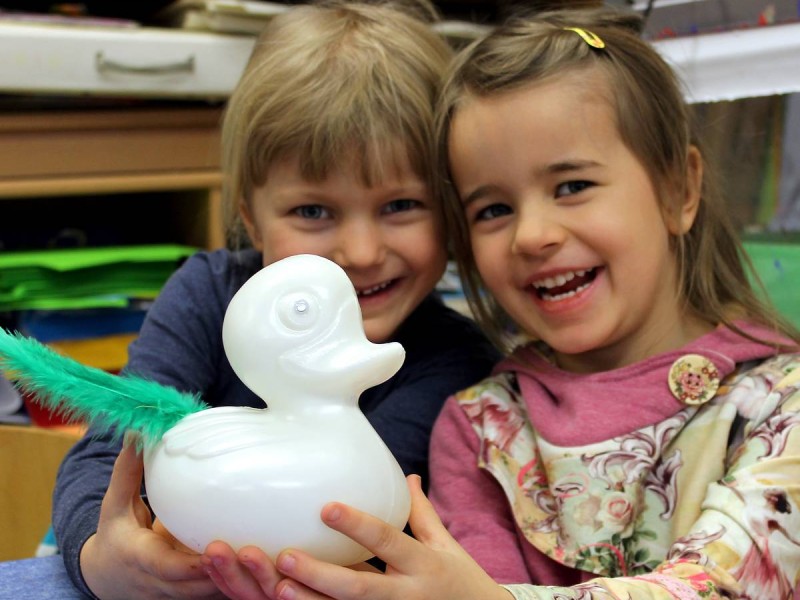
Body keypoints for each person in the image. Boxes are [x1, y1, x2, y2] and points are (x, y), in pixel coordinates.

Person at [248, 6, 800, 600]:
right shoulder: (481, 424)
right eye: (493, 210)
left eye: (571, 187)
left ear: (678, 189)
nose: (532, 234)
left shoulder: (781, 407)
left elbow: (725, 586)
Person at [51, 2, 500, 598]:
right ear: (252, 221)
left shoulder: (453, 358)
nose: (361, 251)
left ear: (448, 210)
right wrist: (102, 558)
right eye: (312, 212)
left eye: (400, 206)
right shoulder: (207, 294)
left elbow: (332, 507)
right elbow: (106, 452)